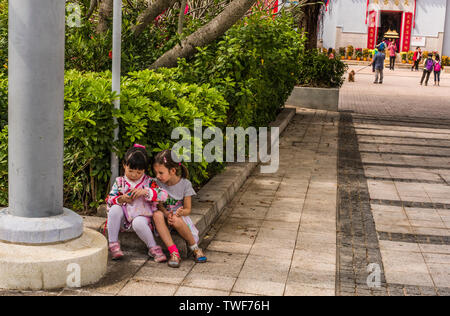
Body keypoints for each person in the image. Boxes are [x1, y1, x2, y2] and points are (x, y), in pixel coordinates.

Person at [106, 144, 169, 262]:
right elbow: (110, 199)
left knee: (138, 223)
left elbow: (164, 195)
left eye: (139, 172)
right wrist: (121, 199)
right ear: (124, 165)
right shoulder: (120, 182)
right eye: (131, 171)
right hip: (124, 217)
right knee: (114, 209)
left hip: (142, 216)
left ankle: (153, 247)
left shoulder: (149, 182)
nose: (134, 175)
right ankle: (113, 244)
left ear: (144, 170)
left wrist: (146, 192)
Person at [152, 149, 207, 268]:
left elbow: (188, 209)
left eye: (161, 173)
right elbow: (159, 205)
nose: (157, 176)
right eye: (156, 172)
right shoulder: (157, 183)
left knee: (176, 220)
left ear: (172, 171)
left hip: (179, 219)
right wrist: (166, 213)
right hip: (164, 218)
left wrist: (181, 212)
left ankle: (195, 248)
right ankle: (174, 253)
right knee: (156, 214)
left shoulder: (185, 184)